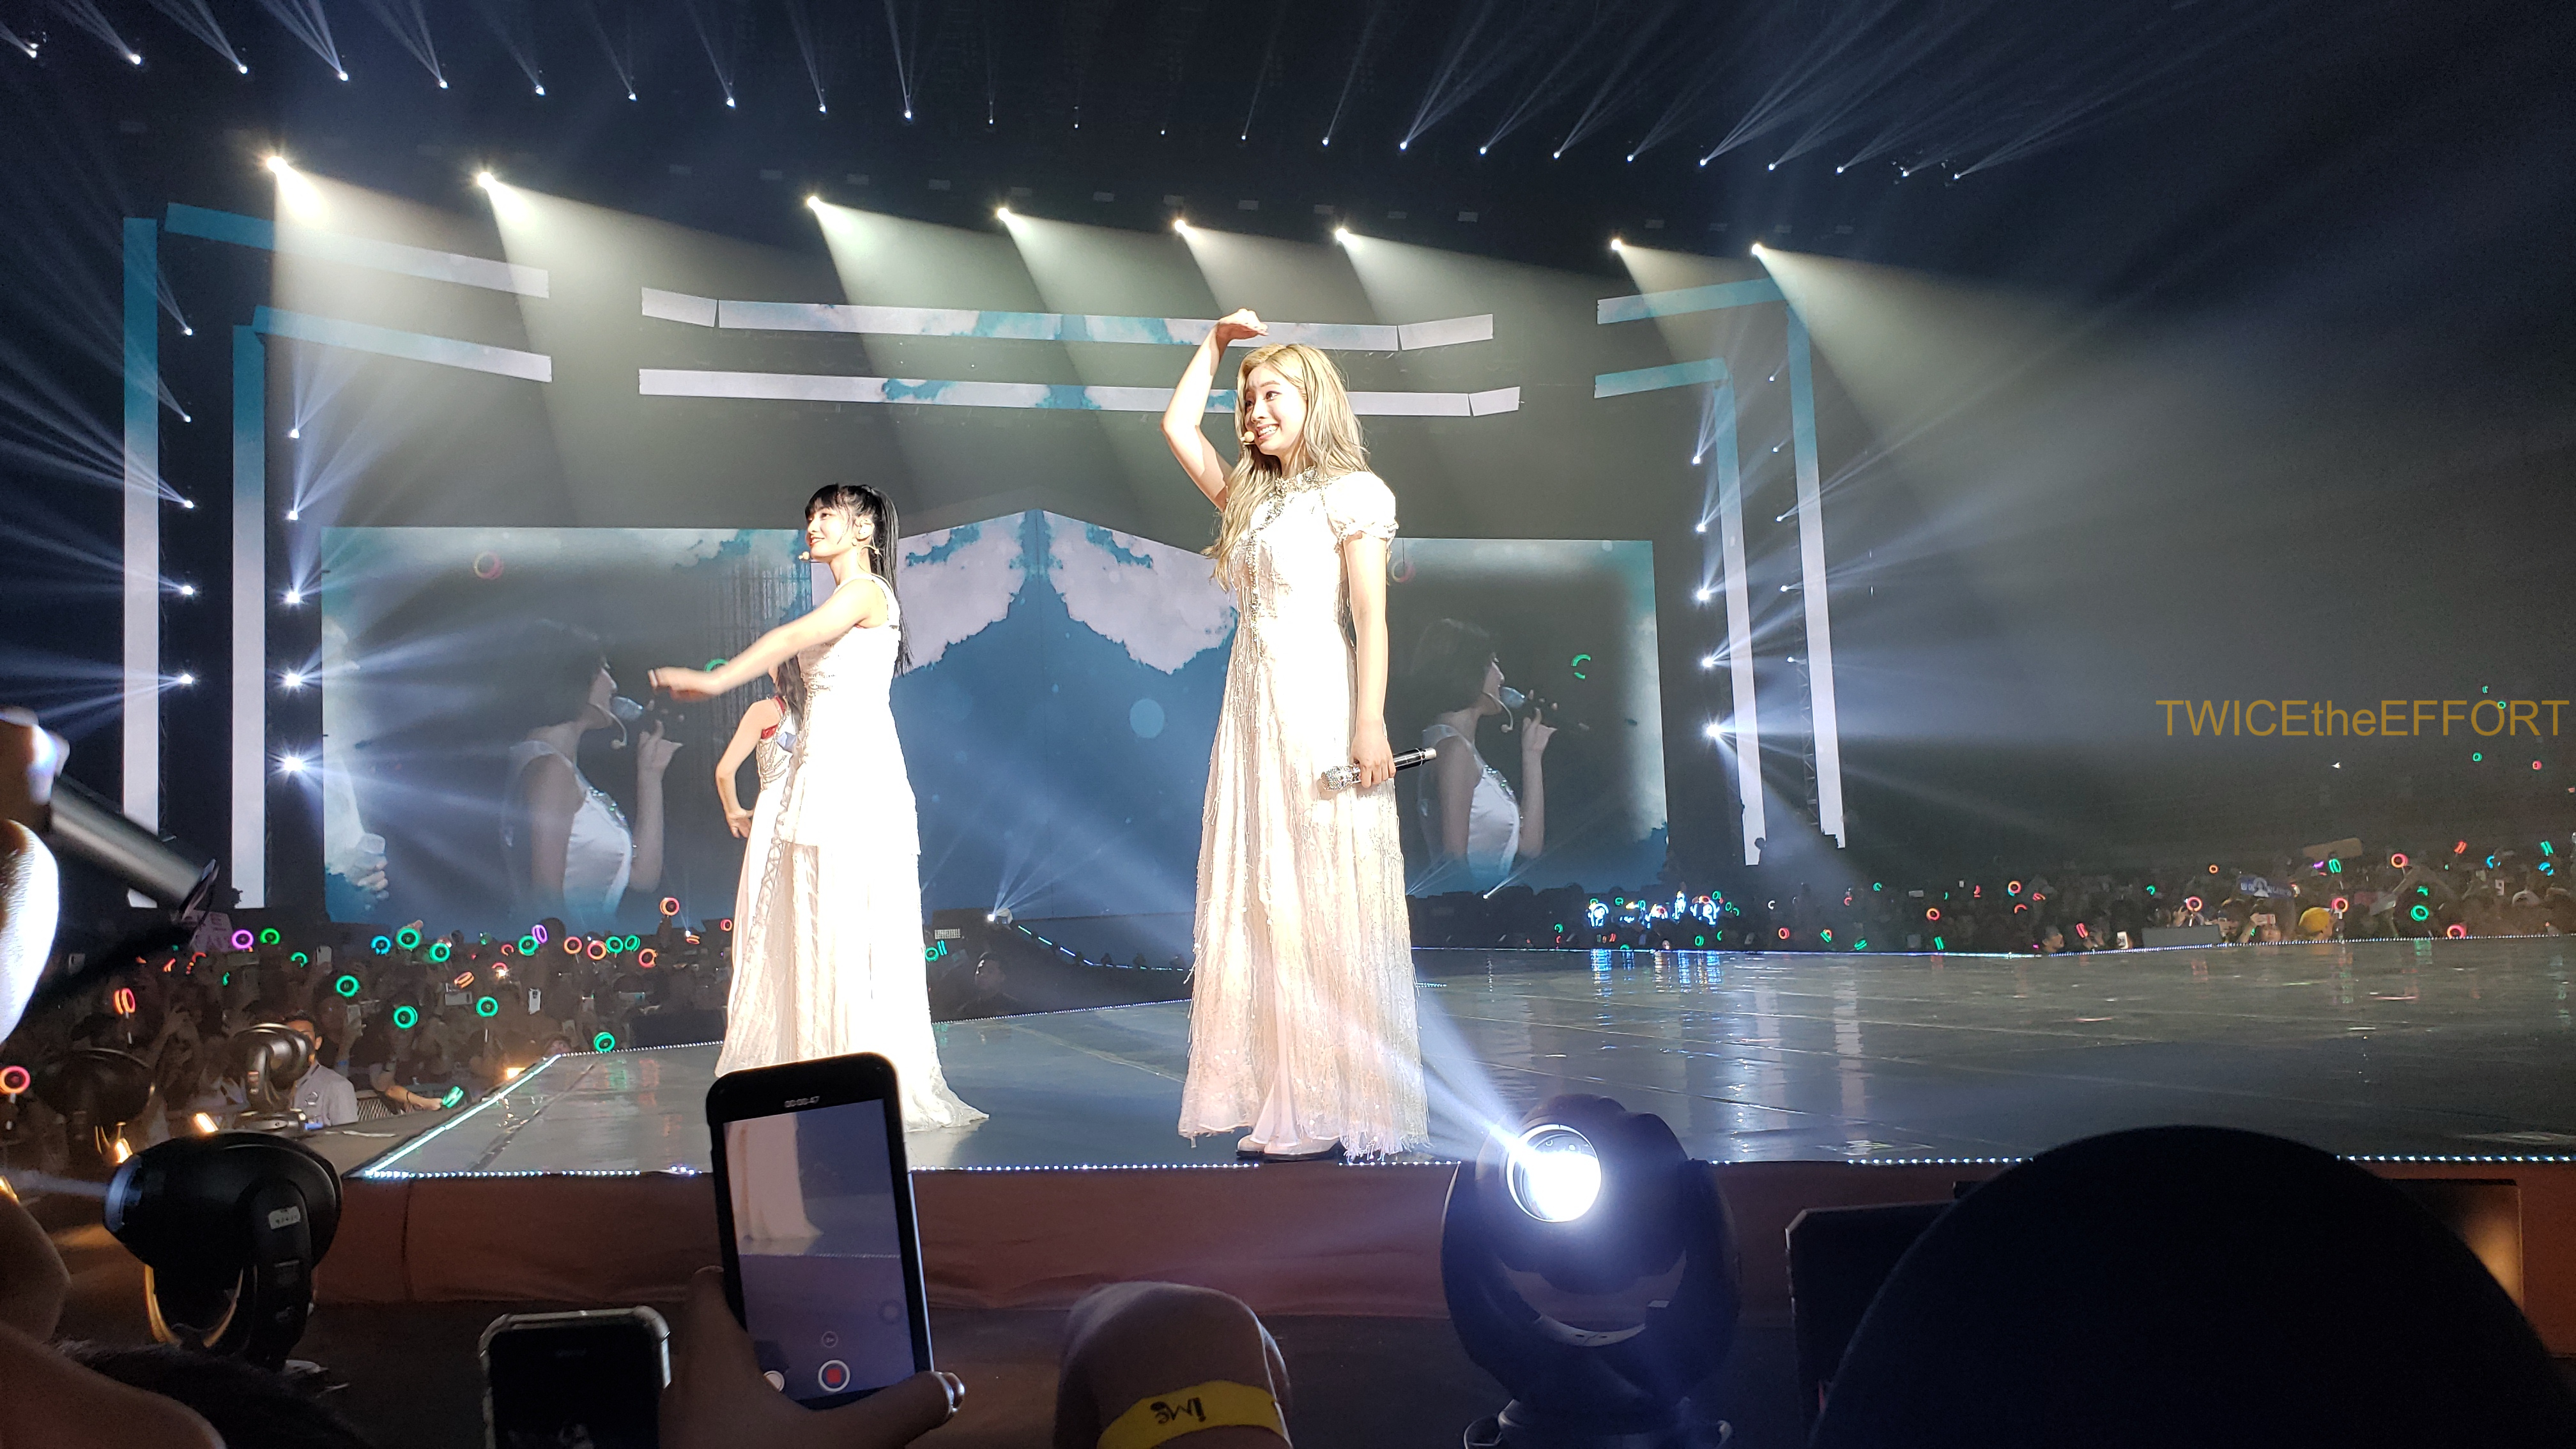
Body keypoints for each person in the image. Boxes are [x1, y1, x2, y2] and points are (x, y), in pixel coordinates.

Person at [1158, 309, 1426, 1160]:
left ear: (1314, 399)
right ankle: (1287, 1096)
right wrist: (1214, 346)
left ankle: (1327, 1103)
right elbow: (1176, 429)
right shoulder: (1254, 498)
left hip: (1315, 701)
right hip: (1251, 711)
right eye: (1248, 402)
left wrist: (1368, 722)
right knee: (1264, 895)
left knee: (1316, 892)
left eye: (1273, 395)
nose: (1256, 413)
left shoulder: (1354, 493)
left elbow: (1371, 619)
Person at [652, 484, 984, 1132]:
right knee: (813, 928)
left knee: (848, 930)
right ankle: (818, 1075)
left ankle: (855, 1080)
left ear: (864, 530)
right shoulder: (844, 596)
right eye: (810, 515)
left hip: (855, 774)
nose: (813, 524)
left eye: (827, 514)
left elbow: (790, 637)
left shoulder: (866, 592)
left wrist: (716, 680)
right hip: (818, 769)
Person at [498, 622, 680, 934]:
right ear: (573, 679)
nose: (613, 685)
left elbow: (643, 876)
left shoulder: (552, 765)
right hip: (578, 952)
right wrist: (575, 958)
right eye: (603, 670)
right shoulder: (551, 770)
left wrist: (650, 776)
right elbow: (546, 901)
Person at [1407, 618, 1555, 893]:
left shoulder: (1461, 748)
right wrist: (1478, 912)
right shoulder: (1453, 749)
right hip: (1474, 909)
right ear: (1468, 670)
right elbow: (1453, 861)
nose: (1502, 677)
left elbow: (1529, 845)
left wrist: (1532, 754)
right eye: (1493, 664)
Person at [713, 657, 805, 962]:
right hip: (809, 808)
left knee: (764, 904)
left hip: (773, 813)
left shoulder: (765, 711)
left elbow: (725, 771)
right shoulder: (819, 713)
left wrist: (734, 811)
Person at [277, 1011, 358, 1128]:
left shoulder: (336, 1086)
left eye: (304, 1036)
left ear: (318, 1043)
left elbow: (347, 1134)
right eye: (290, 1037)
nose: (297, 1042)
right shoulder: (273, 1086)